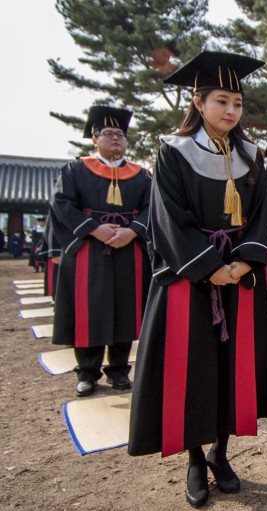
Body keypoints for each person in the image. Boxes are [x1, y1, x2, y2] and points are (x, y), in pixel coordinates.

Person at [127, 51, 267, 508]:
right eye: (221, 101)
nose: (231, 111)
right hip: (189, 279)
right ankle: (194, 458)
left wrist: (245, 262)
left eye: (237, 103)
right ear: (198, 100)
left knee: (233, 368)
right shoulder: (174, 150)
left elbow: (262, 215)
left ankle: (221, 451)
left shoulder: (252, 154)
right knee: (192, 369)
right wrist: (211, 266)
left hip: (239, 277)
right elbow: (168, 217)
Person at [49, 105, 151, 398]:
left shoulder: (142, 176)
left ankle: (119, 370)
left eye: (120, 134)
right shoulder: (76, 170)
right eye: (107, 133)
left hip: (128, 248)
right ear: (94, 139)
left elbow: (151, 209)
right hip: (89, 251)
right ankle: (87, 372)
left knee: (125, 309)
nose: (115, 139)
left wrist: (132, 231)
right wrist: (94, 228)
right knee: (89, 310)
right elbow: (62, 204)